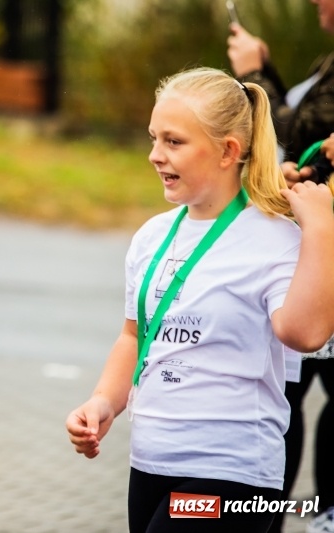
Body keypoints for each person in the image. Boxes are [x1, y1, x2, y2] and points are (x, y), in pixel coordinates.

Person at [66, 66, 334, 533]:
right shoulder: (152, 237)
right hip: (151, 459)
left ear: (228, 151)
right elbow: (134, 336)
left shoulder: (275, 239)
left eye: (174, 142)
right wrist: (103, 403)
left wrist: (322, 231)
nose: (154, 155)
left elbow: (306, 333)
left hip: (231, 474)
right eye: (154, 138)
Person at [228, 3, 334, 530]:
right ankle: (267, 513)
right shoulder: (327, 58)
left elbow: (305, 125)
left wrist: (250, 77)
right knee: (287, 393)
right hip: (309, 239)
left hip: (325, 245)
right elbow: (308, 133)